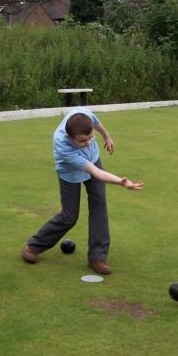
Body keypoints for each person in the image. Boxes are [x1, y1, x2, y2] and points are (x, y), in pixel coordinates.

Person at [21, 107, 144, 274]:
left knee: (99, 203)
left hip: (93, 160)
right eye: (82, 141)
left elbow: (96, 122)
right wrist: (121, 181)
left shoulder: (82, 114)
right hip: (69, 171)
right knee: (69, 216)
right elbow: (95, 172)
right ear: (69, 137)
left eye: (90, 137)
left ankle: (97, 258)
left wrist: (106, 136)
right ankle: (33, 246)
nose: (87, 143)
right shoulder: (63, 146)